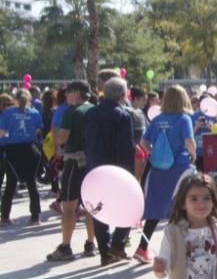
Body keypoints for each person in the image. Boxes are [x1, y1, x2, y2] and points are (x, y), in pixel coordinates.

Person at [134, 86, 197, 263]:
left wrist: (155, 153)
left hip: (158, 169)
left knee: (155, 207)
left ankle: (142, 248)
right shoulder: (184, 119)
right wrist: (193, 155)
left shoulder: (157, 120)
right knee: (180, 207)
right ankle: (181, 249)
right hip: (179, 168)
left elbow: (143, 142)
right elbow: (189, 141)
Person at [83, 77, 136, 265]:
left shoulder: (91, 113)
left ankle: (105, 252)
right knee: (129, 208)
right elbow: (125, 148)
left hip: (94, 168)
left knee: (99, 210)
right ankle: (117, 244)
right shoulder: (122, 115)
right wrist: (130, 173)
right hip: (116, 169)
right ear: (123, 95)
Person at [46, 81, 98, 261]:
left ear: (76, 93)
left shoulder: (71, 112)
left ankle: (66, 246)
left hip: (74, 163)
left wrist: (55, 129)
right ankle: (91, 243)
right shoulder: (95, 110)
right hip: (92, 162)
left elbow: (61, 139)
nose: (65, 96)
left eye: (68, 92)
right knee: (91, 206)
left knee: (68, 206)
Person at [0, 89, 43, 225]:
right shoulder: (35, 113)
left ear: (15, 99)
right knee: (31, 183)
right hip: (29, 149)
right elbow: (38, 131)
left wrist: (11, 136)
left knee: (10, 185)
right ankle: (35, 217)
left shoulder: (7, 113)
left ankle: (5, 217)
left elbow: (2, 133)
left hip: (12, 151)